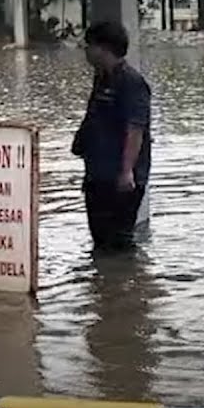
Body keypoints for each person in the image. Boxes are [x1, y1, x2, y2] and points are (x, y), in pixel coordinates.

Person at [70, 20, 152, 252]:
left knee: (119, 242)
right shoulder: (102, 78)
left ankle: (126, 274)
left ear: (103, 48)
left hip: (121, 178)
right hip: (98, 173)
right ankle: (106, 275)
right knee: (100, 240)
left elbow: (135, 129)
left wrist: (126, 171)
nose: (85, 51)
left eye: (89, 45)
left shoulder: (131, 82)